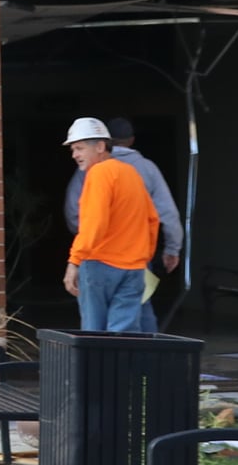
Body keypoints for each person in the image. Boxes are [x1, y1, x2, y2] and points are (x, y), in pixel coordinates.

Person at [62, 116, 181, 331]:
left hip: (99, 263)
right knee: (124, 336)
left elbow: (93, 223)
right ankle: (129, 367)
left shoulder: (97, 174)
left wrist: (75, 261)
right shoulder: (131, 173)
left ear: (100, 146)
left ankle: (98, 367)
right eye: (73, 149)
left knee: (94, 335)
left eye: (79, 148)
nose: (74, 155)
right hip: (134, 267)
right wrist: (144, 255)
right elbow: (152, 219)